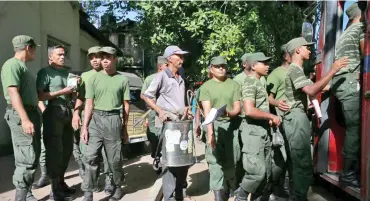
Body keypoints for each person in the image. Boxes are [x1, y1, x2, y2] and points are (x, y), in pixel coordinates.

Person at [283, 37, 348, 200]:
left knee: (302, 161)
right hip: (296, 118)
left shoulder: (297, 69)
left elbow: (313, 89)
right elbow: (312, 90)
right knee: (302, 162)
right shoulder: (294, 69)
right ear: (298, 50)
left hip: (298, 115)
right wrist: (332, 70)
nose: (310, 50)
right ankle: (299, 196)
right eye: (307, 47)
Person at [80, 46, 130, 201]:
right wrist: (85, 127)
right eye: (102, 58)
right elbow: (89, 103)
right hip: (95, 119)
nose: (104, 61)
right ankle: (88, 191)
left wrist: (125, 128)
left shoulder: (122, 79)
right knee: (90, 156)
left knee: (114, 158)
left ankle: (117, 186)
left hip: (113, 119)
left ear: (115, 59)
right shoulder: (93, 78)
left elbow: (126, 105)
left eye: (108, 58)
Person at [143, 45, 191, 201]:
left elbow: (179, 101)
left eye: (182, 57)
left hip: (181, 123)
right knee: (169, 162)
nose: (182, 59)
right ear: (169, 58)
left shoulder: (181, 78)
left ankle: (178, 194)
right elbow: (146, 96)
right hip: (169, 125)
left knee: (183, 160)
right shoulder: (162, 76)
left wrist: (186, 109)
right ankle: (169, 197)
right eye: (179, 56)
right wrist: (160, 111)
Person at [1, 35, 41, 201]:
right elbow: (12, 92)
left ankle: (28, 193)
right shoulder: (12, 65)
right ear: (28, 48)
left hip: (30, 112)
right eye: (34, 49)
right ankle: (21, 198)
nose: (35, 52)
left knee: (31, 155)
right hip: (21, 114)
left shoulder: (22, 66)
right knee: (27, 158)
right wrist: (25, 119)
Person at [236, 52, 280, 201]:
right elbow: (249, 110)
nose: (268, 66)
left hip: (262, 131)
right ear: (253, 66)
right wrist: (271, 116)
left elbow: (259, 108)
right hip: (253, 132)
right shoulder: (250, 82)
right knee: (256, 172)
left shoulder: (259, 82)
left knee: (265, 173)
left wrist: (267, 118)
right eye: (264, 63)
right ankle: (240, 198)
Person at [72, 46, 115, 194]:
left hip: (107, 118)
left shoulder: (112, 75)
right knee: (88, 153)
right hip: (89, 118)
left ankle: (110, 180)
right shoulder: (85, 76)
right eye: (91, 57)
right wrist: (76, 113)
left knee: (107, 153)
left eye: (97, 56)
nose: (95, 60)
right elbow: (80, 97)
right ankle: (91, 184)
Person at [330, 2, 365, 188]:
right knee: (356, 127)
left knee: (353, 127)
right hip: (350, 80)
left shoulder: (344, 33)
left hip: (342, 82)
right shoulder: (360, 27)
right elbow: (365, 52)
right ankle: (349, 174)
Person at [36, 45, 76, 201]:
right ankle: (54, 192)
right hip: (53, 112)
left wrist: (74, 89)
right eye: (59, 54)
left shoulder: (67, 73)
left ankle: (61, 183)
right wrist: (62, 92)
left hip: (67, 112)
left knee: (67, 150)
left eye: (64, 54)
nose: (62, 56)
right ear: (50, 57)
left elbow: (71, 96)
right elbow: (40, 96)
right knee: (54, 152)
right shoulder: (45, 73)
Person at [199, 56, 241, 201]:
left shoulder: (234, 84)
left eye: (223, 66)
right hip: (214, 125)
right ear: (211, 69)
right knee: (214, 161)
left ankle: (231, 188)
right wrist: (211, 134)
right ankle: (218, 194)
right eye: (217, 66)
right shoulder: (206, 87)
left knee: (232, 160)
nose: (221, 68)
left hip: (231, 126)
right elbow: (207, 112)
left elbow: (237, 108)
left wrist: (229, 113)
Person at [266, 44, 292, 200]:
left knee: (291, 156)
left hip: (295, 120)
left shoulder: (298, 72)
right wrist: (277, 104)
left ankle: (285, 187)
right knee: (280, 157)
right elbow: (268, 97)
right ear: (285, 56)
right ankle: (273, 187)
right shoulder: (276, 74)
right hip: (280, 120)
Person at [140, 56, 168, 172]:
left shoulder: (171, 78)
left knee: (167, 135)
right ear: (160, 66)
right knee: (155, 136)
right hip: (154, 112)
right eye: (167, 65)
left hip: (167, 112)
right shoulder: (150, 79)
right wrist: (153, 101)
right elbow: (143, 95)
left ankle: (165, 158)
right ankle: (156, 156)